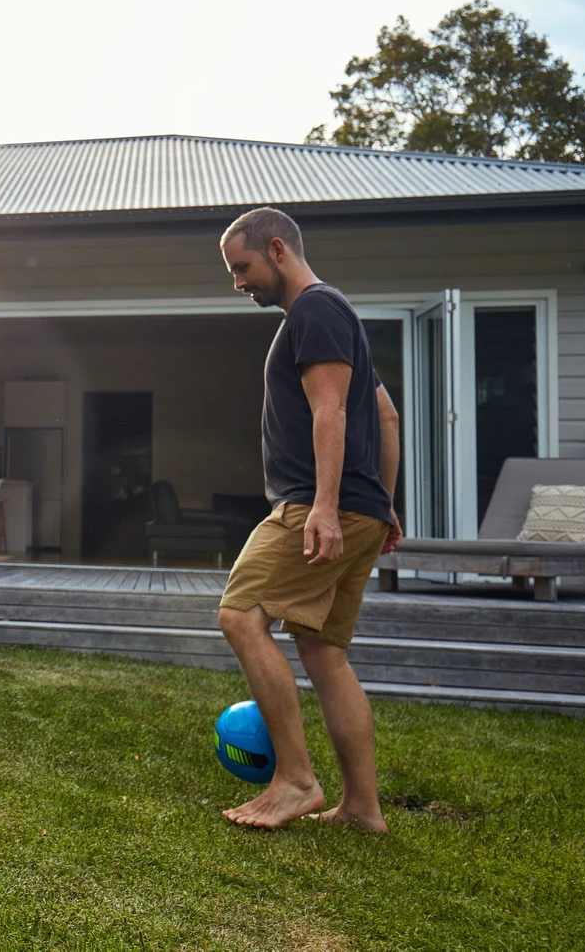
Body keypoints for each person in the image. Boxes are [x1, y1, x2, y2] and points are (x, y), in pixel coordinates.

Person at [215, 207, 403, 833]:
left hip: (316, 505)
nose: (239, 282)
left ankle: (296, 780)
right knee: (324, 653)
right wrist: (380, 501)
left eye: (242, 268)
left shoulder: (314, 311)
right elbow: (387, 417)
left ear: (277, 249)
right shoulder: (337, 313)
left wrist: (326, 505)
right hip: (359, 506)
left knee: (240, 614)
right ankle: (362, 809)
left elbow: (331, 412)